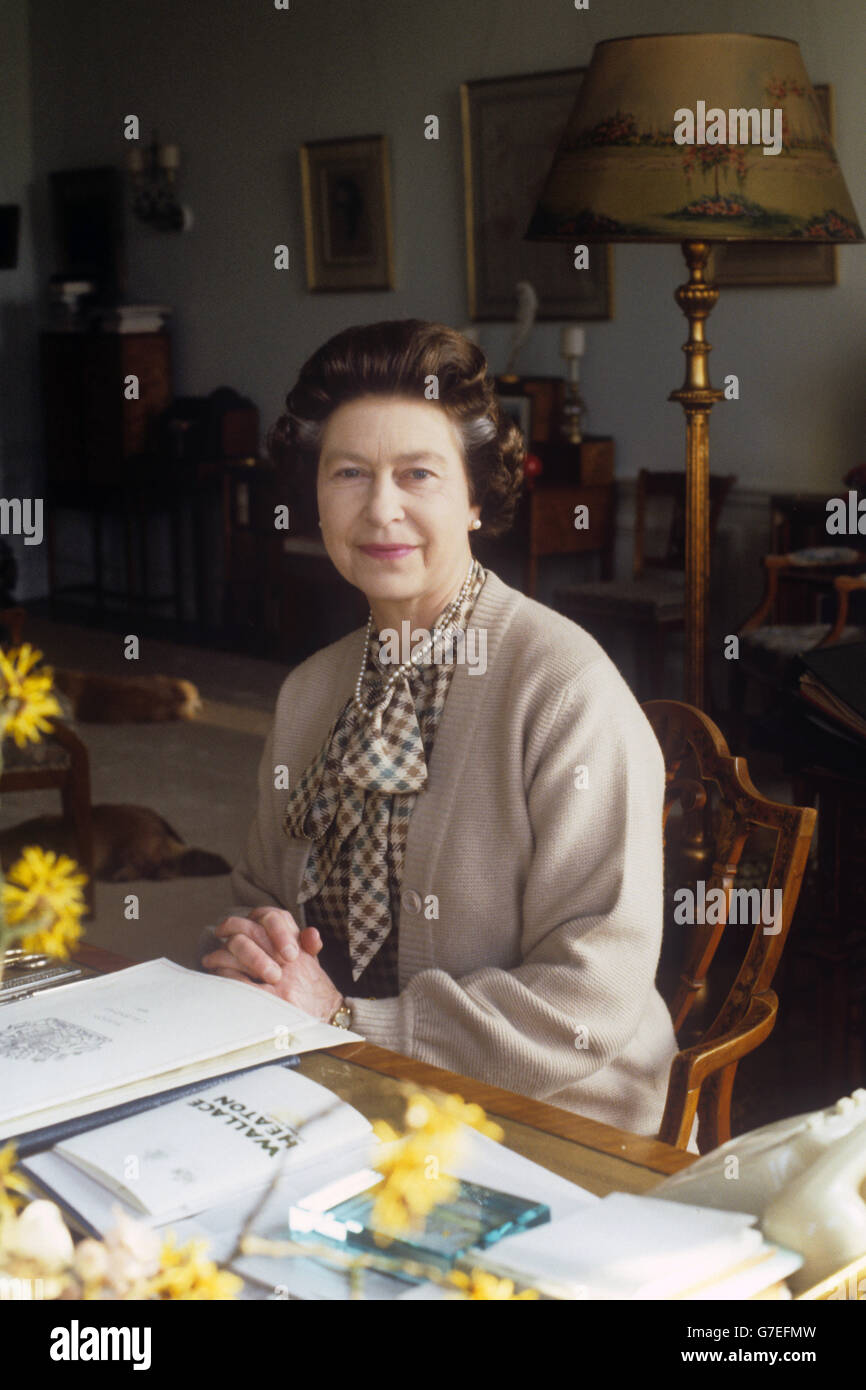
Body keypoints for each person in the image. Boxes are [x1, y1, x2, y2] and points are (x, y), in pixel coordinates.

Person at [200, 318, 679, 1137]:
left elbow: (590, 995)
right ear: (316, 495)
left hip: (547, 1118)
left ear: (477, 497)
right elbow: (258, 897)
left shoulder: (565, 688)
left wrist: (353, 1022)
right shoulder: (312, 691)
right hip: (335, 1083)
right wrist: (260, 948)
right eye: (349, 473)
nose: (380, 509)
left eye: (417, 473)